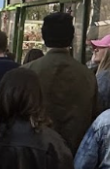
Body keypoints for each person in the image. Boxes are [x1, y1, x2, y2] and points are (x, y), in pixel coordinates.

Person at [25, 12, 99, 155]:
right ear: (71, 38)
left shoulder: (28, 72)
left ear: (44, 37)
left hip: (33, 151)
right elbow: (94, 116)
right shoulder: (87, 75)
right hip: (74, 153)